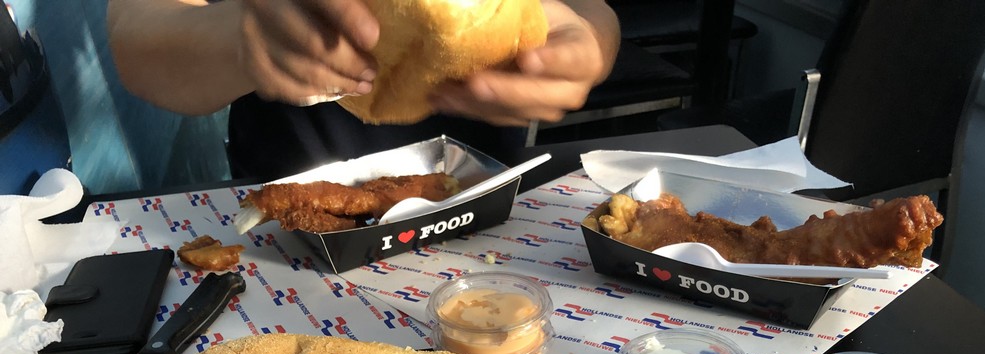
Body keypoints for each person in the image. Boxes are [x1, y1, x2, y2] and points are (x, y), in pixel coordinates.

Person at [105, 0, 620, 181]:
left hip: (491, 208)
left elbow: (592, 12)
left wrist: (587, 46)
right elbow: (136, 40)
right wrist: (244, 37)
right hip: (286, 226)